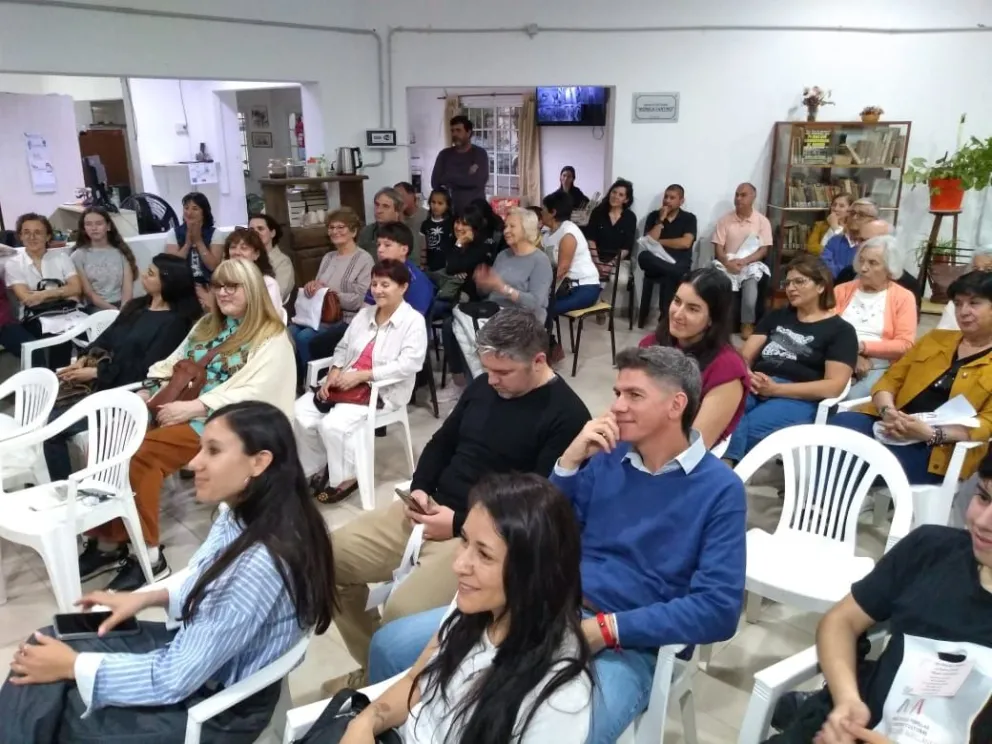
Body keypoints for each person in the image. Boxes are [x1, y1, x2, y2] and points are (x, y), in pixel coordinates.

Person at [365, 345, 747, 744]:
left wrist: (606, 629)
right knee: (392, 646)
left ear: (676, 405)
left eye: (634, 395)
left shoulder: (719, 491)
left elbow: (719, 609)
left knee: (556, 734)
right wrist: (568, 461)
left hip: (632, 641)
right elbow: (547, 532)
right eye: (617, 393)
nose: (616, 406)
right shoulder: (608, 458)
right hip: (545, 605)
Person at [0, 401, 337, 744]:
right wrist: (145, 598)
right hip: (202, 653)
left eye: (213, 451)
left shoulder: (256, 564)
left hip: (218, 705)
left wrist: (73, 667)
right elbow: (205, 582)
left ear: (260, 461)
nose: (194, 463)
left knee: (53, 697)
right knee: (46, 642)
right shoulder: (249, 513)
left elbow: (174, 678)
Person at [323, 309, 590, 692]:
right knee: (327, 560)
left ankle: (393, 683)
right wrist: (419, 487)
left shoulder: (566, 416)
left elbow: (533, 509)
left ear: (538, 361)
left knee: (401, 617)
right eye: (488, 370)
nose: (492, 380)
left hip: (481, 536)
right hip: (427, 509)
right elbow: (442, 442)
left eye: (503, 372)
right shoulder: (485, 386)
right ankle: (377, 673)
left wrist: (457, 524)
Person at [78, 259, 296, 592]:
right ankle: (109, 541)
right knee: (107, 441)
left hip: (223, 420)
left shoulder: (270, 335)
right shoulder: (207, 324)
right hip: (178, 406)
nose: (222, 293)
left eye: (232, 286)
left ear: (251, 289)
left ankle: (150, 558)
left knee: (141, 456)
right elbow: (174, 363)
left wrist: (195, 407)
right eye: (217, 286)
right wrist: (148, 389)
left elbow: (258, 390)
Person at [339, 473, 593, 744]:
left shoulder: (561, 699)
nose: (458, 565)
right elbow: (417, 680)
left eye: (484, 554)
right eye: (464, 540)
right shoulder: (473, 609)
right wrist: (365, 722)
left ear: (532, 571)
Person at [765, 458, 992, 744]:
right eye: (983, 497)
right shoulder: (931, 549)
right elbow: (841, 621)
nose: (982, 522)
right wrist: (847, 699)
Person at [44, 254, 201, 481]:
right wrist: (83, 358)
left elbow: (147, 369)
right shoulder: (137, 306)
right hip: (99, 381)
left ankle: (64, 492)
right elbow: (105, 339)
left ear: (167, 282)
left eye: (151, 273)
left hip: (126, 393)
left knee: (54, 430)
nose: (144, 276)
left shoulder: (175, 323)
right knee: (46, 415)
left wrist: (96, 373)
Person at [830, 270, 992, 486]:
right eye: (958, 303)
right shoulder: (936, 339)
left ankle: (819, 510)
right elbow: (889, 380)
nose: (964, 311)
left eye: (974, 303)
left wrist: (931, 434)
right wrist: (888, 412)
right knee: (836, 429)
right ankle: (822, 508)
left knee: (855, 463)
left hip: (937, 448)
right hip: (891, 424)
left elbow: (987, 423)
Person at [293, 259, 428, 503]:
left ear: (403, 287)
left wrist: (364, 375)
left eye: (385, 284)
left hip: (383, 389)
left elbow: (410, 364)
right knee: (300, 412)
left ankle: (347, 476)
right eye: (374, 283)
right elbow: (343, 346)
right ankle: (315, 467)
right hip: (347, 381)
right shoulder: (365, 313)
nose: (377, 290)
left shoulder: (413, 321)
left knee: (333, 424)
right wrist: (334, 370)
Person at [724, 255, 858, 464]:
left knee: (740, 428)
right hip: (756, 383)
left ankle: (724, 472)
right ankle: (724, 473)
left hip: (797, 395)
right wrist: (747, 374)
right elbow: (744, 355)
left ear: (821, 286)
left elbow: (834, 386)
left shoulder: (841, 331)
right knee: (719, 410)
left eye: (799, 282)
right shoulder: (777, 316)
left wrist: (776, 389)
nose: (790, 288)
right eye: (788, 283)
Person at [639, 268, 748, 447]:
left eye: (693, 309)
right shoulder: (651, 343)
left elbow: (694, 447)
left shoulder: (726, 368)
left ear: (713, 319)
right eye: (677, 301)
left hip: (677, 460)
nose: (678, 314)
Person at [447, 208, 554, 382]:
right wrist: (483, 284)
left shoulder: (540, 261)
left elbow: (534, 302)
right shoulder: (503, 255)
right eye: (505, 226)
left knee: (467, 330)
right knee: (452, 323)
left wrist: (502, 287)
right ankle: (466, 381)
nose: (506, 231)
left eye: (512, 226)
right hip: (495, 311)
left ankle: (479, 380)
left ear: (527, 229)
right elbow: (487, 292)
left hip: (523, 318)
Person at [288, 208, 375, 376]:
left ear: (354, 231)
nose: (335, 231)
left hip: (346, 318)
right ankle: (295, 379)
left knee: (304, 337)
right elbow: (320, 287)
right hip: (319, 316)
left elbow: (361, 299)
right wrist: (312, 286)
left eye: (341, 227)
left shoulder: (364, 259)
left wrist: (330, 294)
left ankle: (313, 382)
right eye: (331, 227)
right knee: (289, 333)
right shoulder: (328, 257)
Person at [833, 235, 917, 399]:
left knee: (852, 400)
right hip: (837, 359)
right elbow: (826, 331)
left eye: (873, 263)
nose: (863, 268)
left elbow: (905, 344)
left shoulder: (904, 297)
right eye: (862, 261)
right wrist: (853, 355)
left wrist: (863, 347)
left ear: (889, 268)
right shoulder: (841, 290)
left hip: (879, 366)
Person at [2, 212, 83, 369]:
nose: (32, 237)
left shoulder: (61, 258)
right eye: (27, 232)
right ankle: (55, 380)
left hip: (66, 311)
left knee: (90, 331)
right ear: (20, 236)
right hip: (32, 317)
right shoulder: (13, 263)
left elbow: (77, 288)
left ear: (47, 236)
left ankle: (69, 379)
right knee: (60, 336)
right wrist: (62, 291)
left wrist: (44, 294)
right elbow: (27, 299)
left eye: (38, 232)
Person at [712, 182, 773, 340]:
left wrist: (744, 261)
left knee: (751, 286)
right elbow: (718, 247)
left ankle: (747, 323)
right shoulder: (725, 220)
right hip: (727, 262)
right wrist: (727, 263)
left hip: (750, 263)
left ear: (753, 197)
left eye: (743, 195)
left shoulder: (762, 221)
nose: (738, 198)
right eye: (737, 195)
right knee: (720, 283)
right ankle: (720, 323)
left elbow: (763, 250)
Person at [638, 184, 699, 327]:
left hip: (679, 261)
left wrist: (658, 242)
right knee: (644, 257)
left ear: (681, 201)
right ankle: (665, 319)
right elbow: (649, 242)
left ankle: (665, 316)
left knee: (669, 275)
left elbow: (686, 243)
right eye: (666, 197)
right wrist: (660, 220)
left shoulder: (689, 218)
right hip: (659, 262)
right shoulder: (654, 216)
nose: (667, 201)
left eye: (672, 198)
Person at [428, 203, 492, 323]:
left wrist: (459, 244)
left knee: (429, 308)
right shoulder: (450, 241)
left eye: (465, 224)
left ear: (474, 227)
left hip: (466, 300)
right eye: (457, 222)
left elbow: (451, 267)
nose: (458, 227)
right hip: (445, 292)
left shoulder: (481, 248)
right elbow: (447, 266)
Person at [540, 190, 601, 314]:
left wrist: (539, 286)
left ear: (553, 212)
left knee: (543, 309)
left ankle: (540, 333)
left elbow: (562, 270)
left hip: (583, 288)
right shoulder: (546, 234)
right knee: (531, 304)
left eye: (543, 209)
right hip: (563, 286)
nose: (541, 212)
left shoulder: (568, 232)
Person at [71, 206, 137, 312]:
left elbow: (127, 288)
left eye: (99, 223)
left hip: (123, 304)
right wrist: (112, 310)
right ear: (84, 229)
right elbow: (88, 292)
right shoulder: (78, 256)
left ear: (108, 226)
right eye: (88, 224)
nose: (94, 228)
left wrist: (123, 309)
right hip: (96, 306)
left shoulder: (121, 252)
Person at [362, 221, 434, 316]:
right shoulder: (379, 275)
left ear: (404, 250)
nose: (380, 250)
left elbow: (414, 320)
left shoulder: (417, 281)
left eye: (387, 245)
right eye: (378, 245)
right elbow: (365, 309)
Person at [431, 114, 490, 214]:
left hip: (475, 213)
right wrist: (467, 176)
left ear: (468, 132)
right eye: (452, 131)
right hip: (449, 213)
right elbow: (435, 183)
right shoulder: (444, 154)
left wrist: (448, 177)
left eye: (458, 130)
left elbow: (478, 181)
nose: (454, 134)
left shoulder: (480, 154)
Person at [165, 192, 225, 283]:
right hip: (182, 284)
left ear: (204, 212)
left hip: (208, 284)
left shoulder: (215, 234)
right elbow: (172, 266)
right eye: (186, 208)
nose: (189, 213)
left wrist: (199, 241)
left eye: (195, 208)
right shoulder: (173, 233)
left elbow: (213, 267)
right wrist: (187, 244)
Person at [358, 187, 426, 267]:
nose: (378, 210)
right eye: (377, 205)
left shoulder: (409, 234)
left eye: (385, 206)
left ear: (397, 211)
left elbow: (412, 267)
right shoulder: (366, 231)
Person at [222, 227, 282, 311]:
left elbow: (271, 318)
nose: (237, 252)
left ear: (256, 254)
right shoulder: (222, 281)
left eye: (244, 248)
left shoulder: (268, 283)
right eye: (233, 247)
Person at [586, 178, 637, 273]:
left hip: (619, 260)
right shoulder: (597, 212)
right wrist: (598, 263)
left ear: (626, 200)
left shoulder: (630, 218)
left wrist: (611, 264)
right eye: (614, 192)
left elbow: (626, 248)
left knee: (620, 280)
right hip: (596, 257)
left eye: (621, 195)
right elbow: (591, 239)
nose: (615, 196)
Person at [821, 199, 879, 279]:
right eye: (852, 213)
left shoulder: (877, 244)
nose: (854, 217)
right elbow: (824, 268)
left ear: (874, 220)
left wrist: (841, 270)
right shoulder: (834, 240)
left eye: (861, 215)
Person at [937, 246, 992, 330]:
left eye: (988, 269)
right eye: (975, 268)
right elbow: (942, 334)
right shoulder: (960, 301)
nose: (980, 272)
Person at [248, 213, 296, 302]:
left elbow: (277, 296)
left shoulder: (283, 262)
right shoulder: (246, 258)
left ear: (272, 233)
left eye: (260, 228)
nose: (255, 233)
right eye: (251, 230)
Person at [420, 188, 455, 272]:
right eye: (433, 202)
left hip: (447, 267)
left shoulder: (452, 223)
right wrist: (423, 264)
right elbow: (423, 246)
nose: (436, 206)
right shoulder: (426, 224)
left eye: (440, 203)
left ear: (447, 205)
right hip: (431, 267)